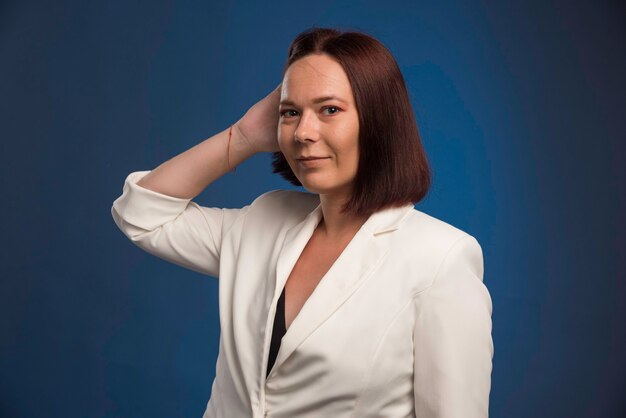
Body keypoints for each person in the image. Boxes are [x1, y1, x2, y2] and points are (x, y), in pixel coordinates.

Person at [111, 27, 493, 418]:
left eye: (329, 110)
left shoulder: (439, 259)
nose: (303, 133)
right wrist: (243, 135)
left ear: (379, 121)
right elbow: (141, 214)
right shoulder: (263, 221)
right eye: (290, 112)